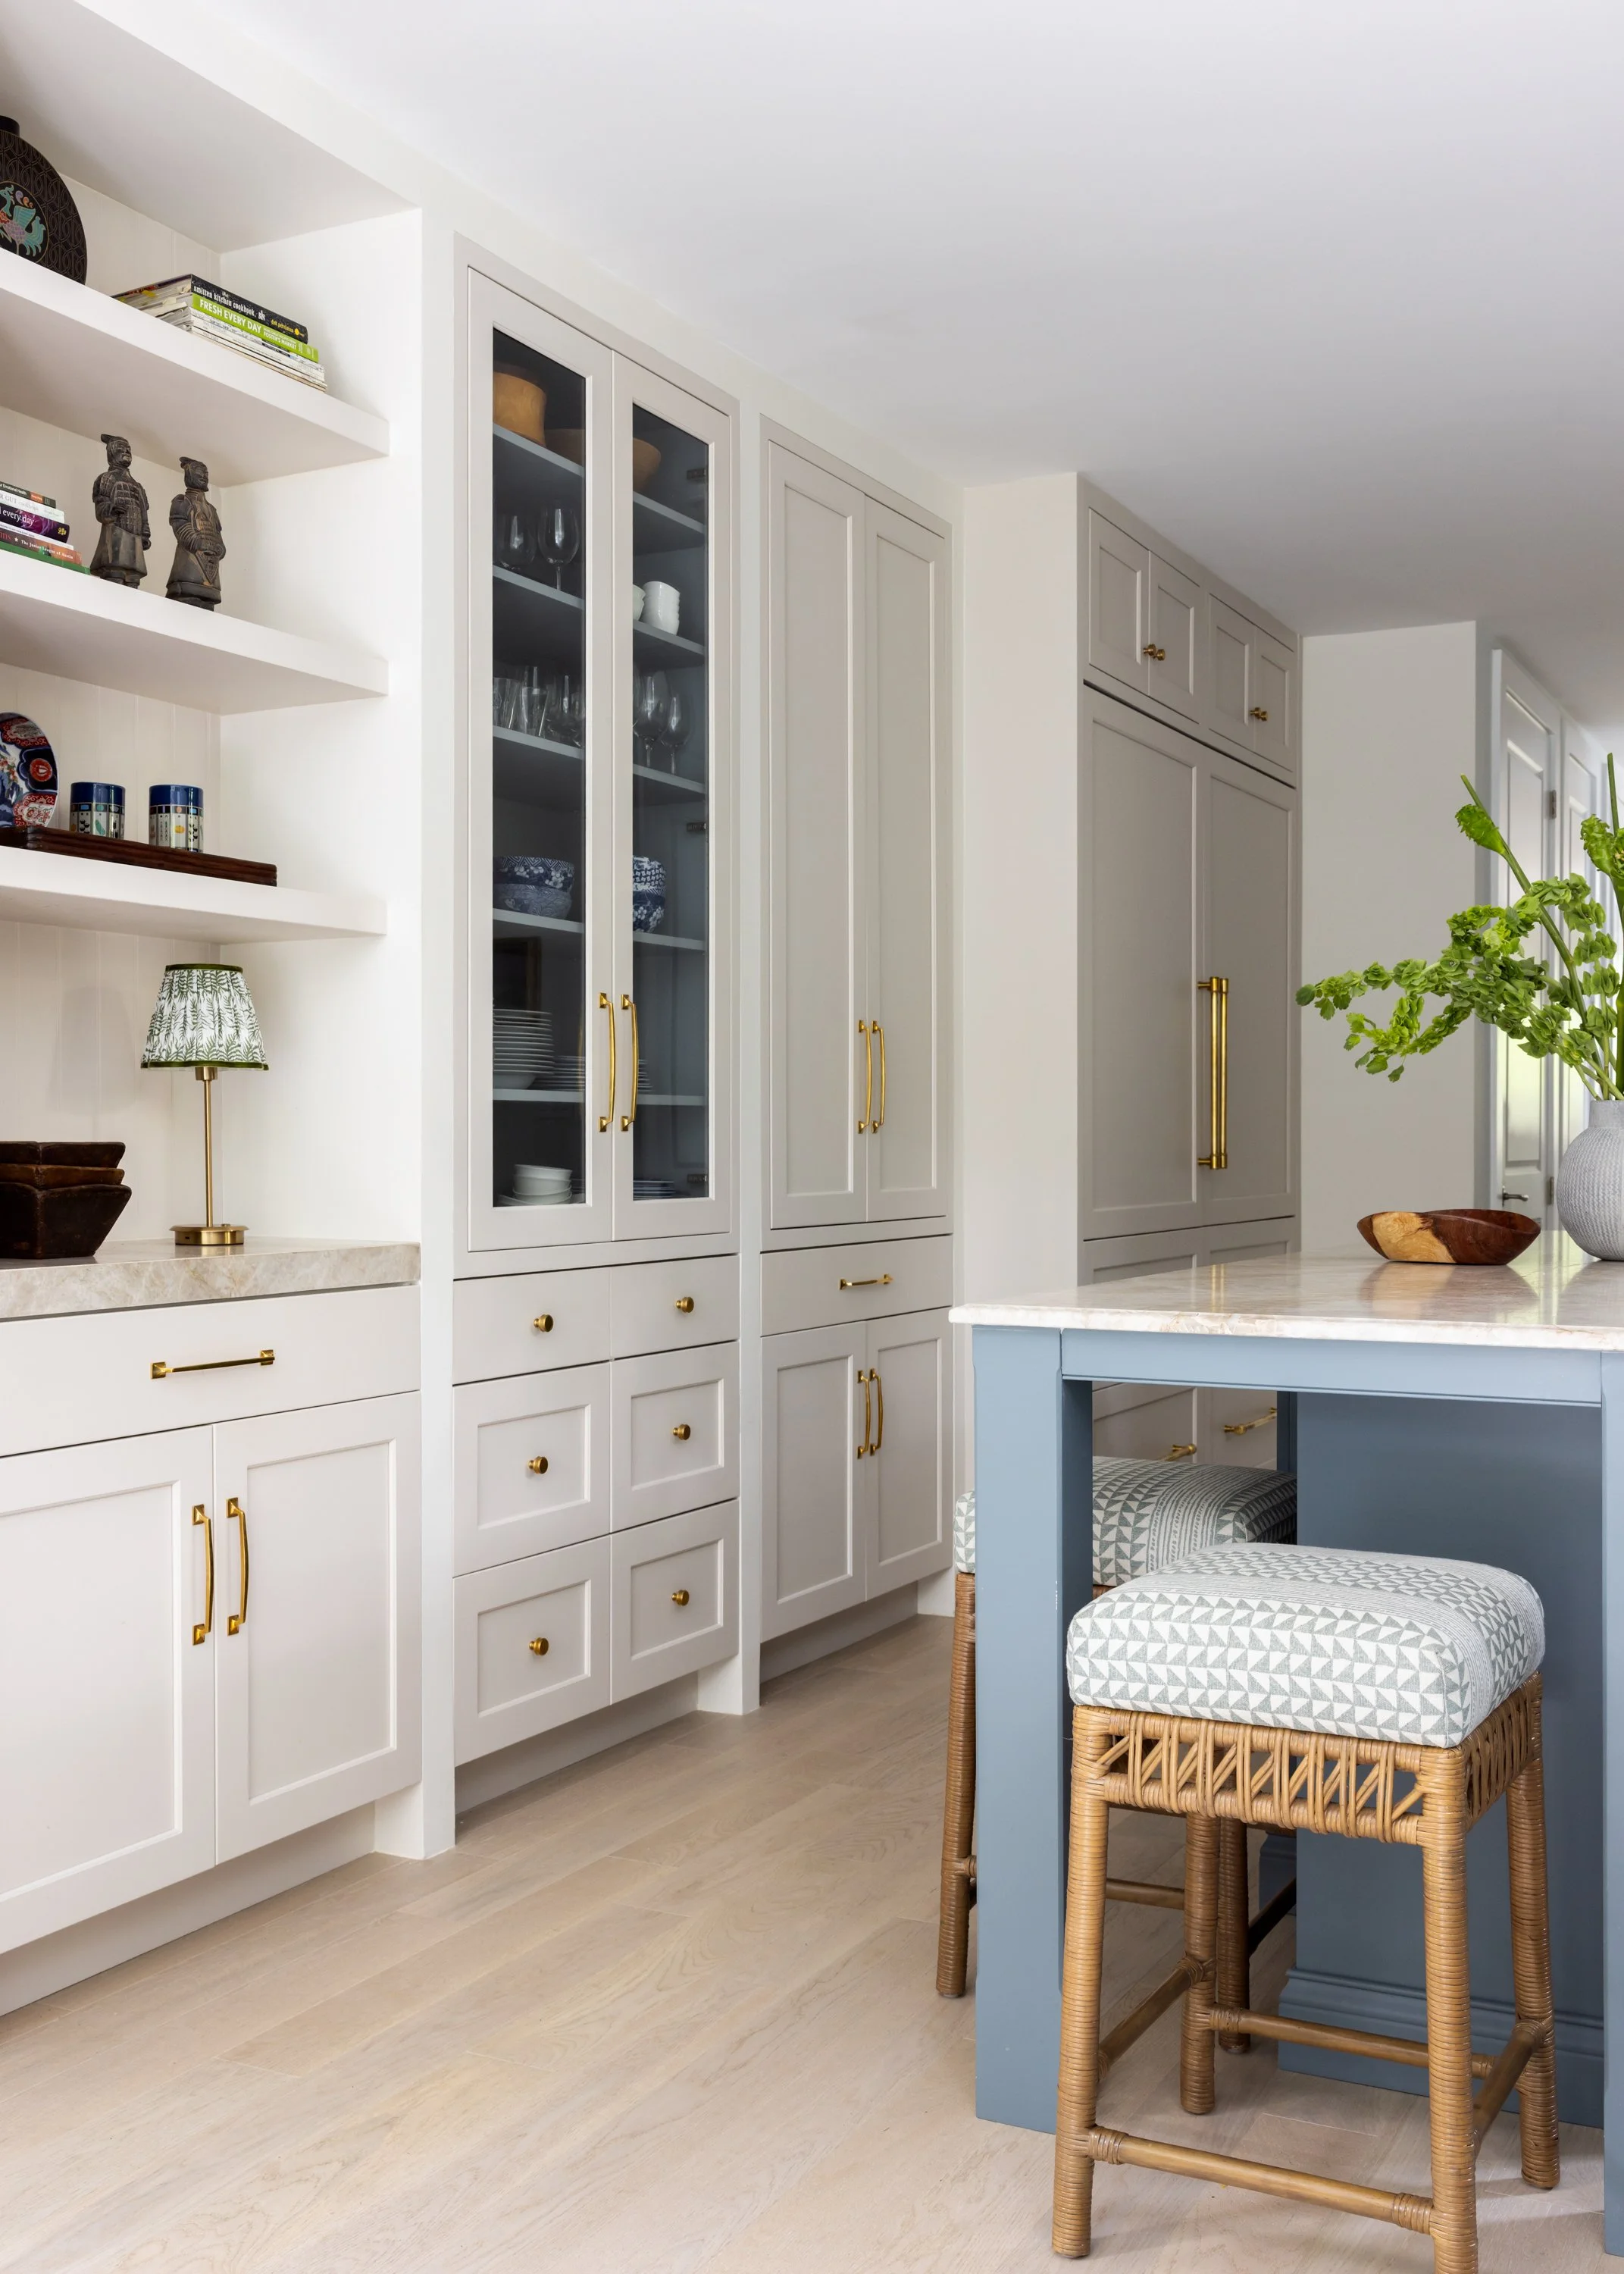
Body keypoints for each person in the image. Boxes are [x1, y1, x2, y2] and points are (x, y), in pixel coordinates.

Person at [89, 434, 149, 587]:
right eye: (122, 449)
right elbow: (101, 506)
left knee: (133, 577)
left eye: (129, 450)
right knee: (115, 572)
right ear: (111, 452)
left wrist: (145, 534)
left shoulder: (138, 486)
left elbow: (143, 513)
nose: (127, 452)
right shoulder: (106, 479)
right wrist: (111, 509)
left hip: (135, 538)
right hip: (116, 535)